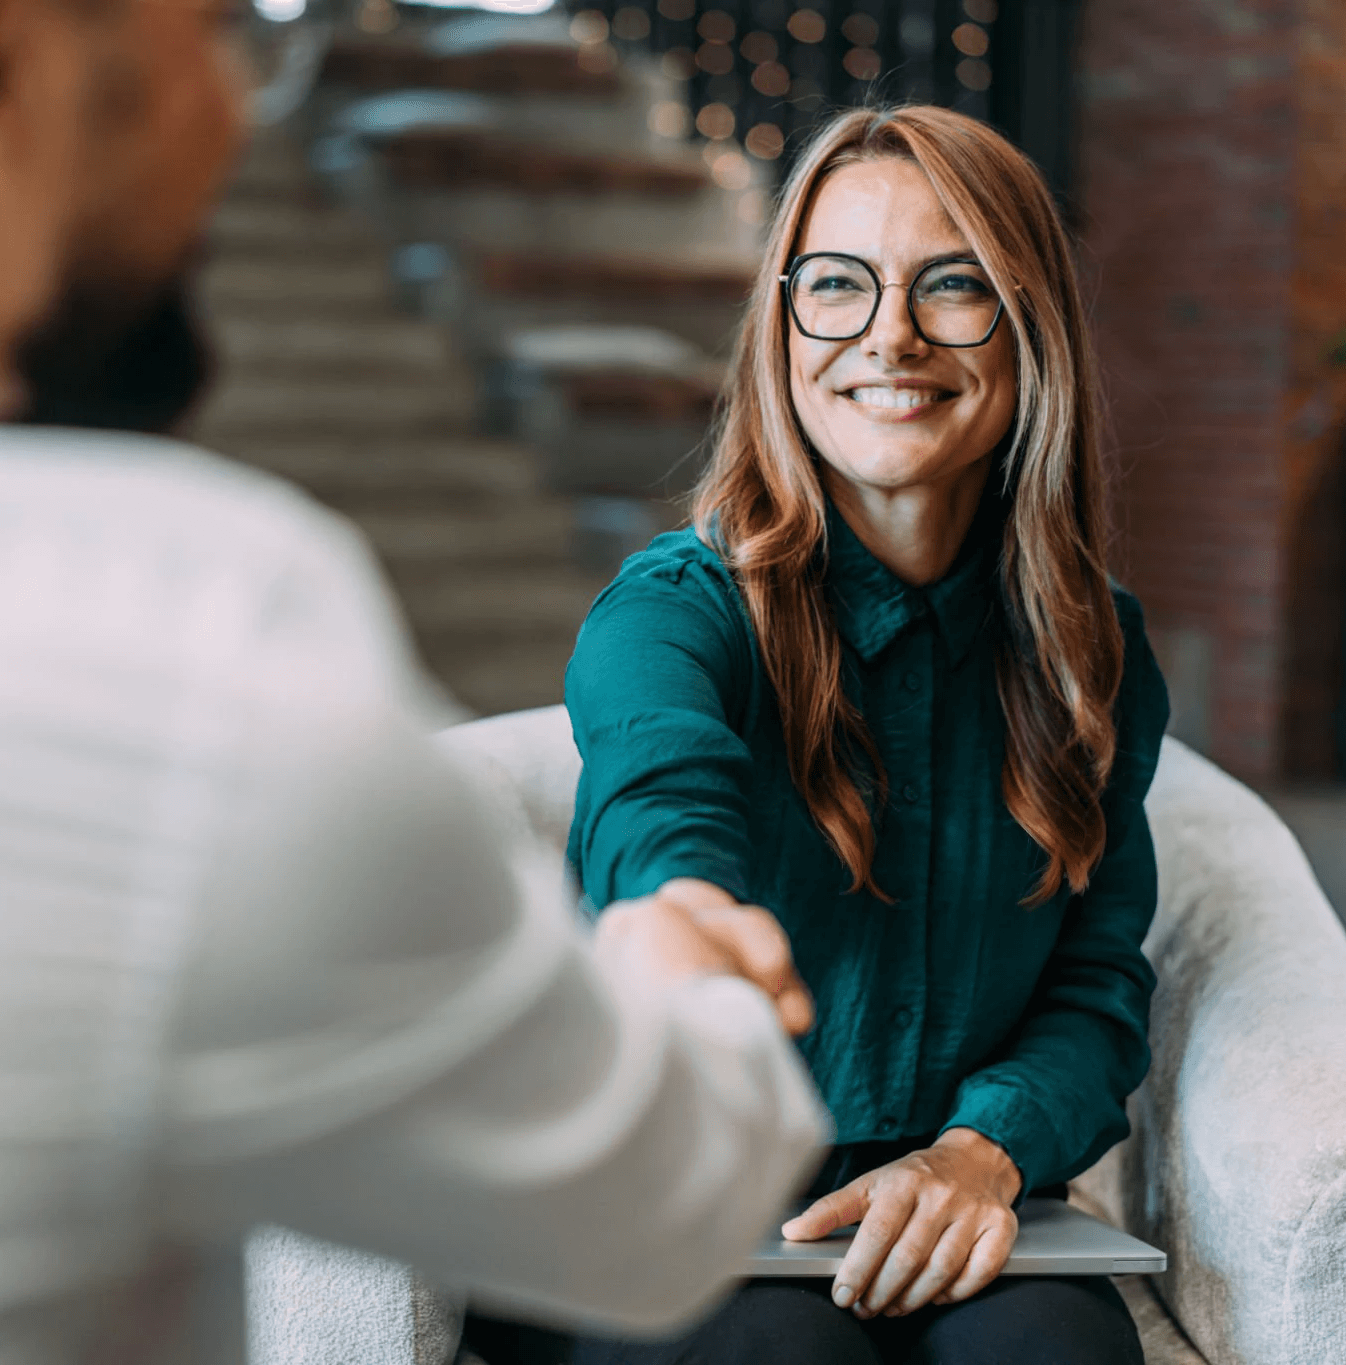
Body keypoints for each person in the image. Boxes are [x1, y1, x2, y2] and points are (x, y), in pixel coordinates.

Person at [0, 1, 828, 1360]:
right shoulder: (196, 644)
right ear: (28, 52)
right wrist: (678, 964)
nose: (231, 112)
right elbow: (654, 1206)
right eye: (211, 31)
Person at [557, 106, 1169, 1365]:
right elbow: (657, 803)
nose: (887, 335)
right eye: (835, 286)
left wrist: (978, 1151)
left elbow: (1094, 988)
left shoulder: (1091, 649)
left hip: (943, 1201)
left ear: (1029, 327)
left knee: (1058, 1352)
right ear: (782, 327)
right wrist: (678, 916)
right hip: (680, 1202)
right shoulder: (675, 614)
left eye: (953, 288)